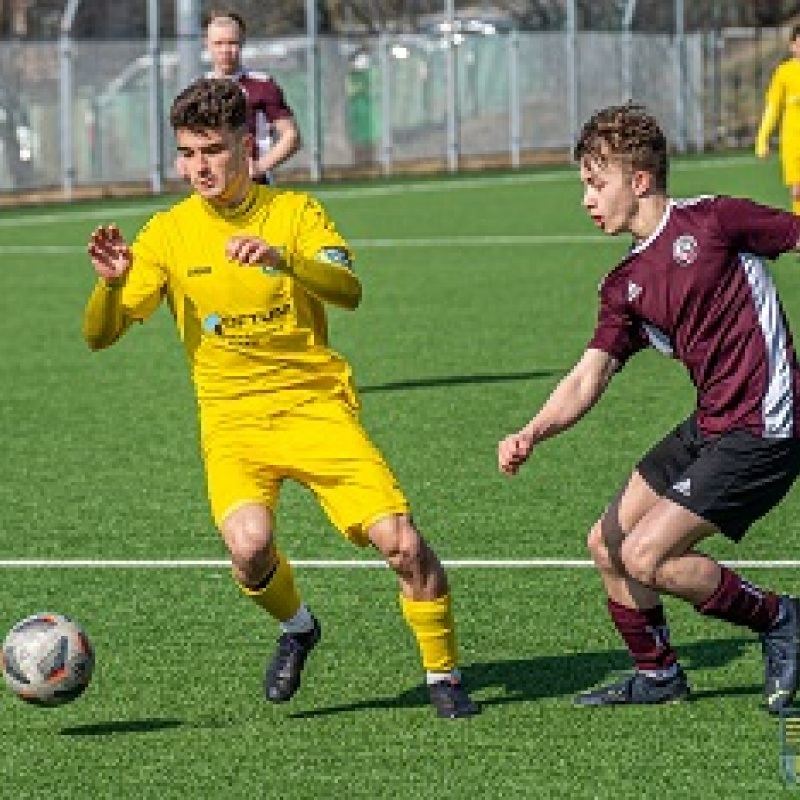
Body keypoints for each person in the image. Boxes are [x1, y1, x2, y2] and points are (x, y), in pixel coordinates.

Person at [82, 78, 478, 719]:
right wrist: (110, 286)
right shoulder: (167, 233)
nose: (198, 168)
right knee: (249, 549)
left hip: (314, 406)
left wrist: (284, 260)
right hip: (233, 422)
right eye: (186, 152)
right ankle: (299, 628)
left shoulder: (296, 214)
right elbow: (99, 338)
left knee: (401, 544)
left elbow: (348, 292)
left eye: (211, 150)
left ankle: (443, 674)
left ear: (247, 144)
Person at [499, 103, 800, 712]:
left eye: (595, 181)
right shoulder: (623, 285)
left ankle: (782, 620)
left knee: (647, 555)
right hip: (713, 421)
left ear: (638, 181)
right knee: (606, 544)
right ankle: (659, 674)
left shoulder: (715, 221)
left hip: (767, 425)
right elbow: (589, 377)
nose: (586, 198)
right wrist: (533, 430)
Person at [203, 8, 300, 184]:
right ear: (207, 44)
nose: (225, 50)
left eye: (232, 43)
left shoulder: (262, 85)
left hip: (255, 187)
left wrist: (260, 167)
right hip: (212, 187)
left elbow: (291, 136)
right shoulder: (199, 89)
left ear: (242, 43)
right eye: (218, 43)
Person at [756, 25, 800, 214]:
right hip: (793, 141)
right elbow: (773, 108)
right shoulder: (784, 72)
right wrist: (762, 138)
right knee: (798, 191)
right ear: (792, 46)